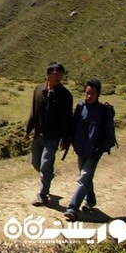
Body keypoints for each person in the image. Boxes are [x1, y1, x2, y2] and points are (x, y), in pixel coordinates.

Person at [62, 79, 116, 221]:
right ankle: (90, 200)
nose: (89, 96)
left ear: (98, 94)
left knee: (83, 177)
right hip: (80, 149)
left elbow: (109, 134)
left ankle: (72, 208)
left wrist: (99, 148)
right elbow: (73, 126)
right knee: (85, 176)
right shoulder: (81, 107)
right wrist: (70, 141)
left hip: (94, 152)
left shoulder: (104, 112)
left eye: (92, 93)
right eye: (87, 93)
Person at [24, 62, 74, 206]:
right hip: (38, 135)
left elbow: (67, 119)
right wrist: (28, 130)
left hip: (53, 137)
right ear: (48, 75)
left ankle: (43, 194)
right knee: (35, 162)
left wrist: (66, 139)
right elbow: (33, 112)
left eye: (60, 75)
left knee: (46, 163)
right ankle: (47, 177)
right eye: (55, 74)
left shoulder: (65, 95)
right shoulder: (38, 90)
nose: (58, 77)